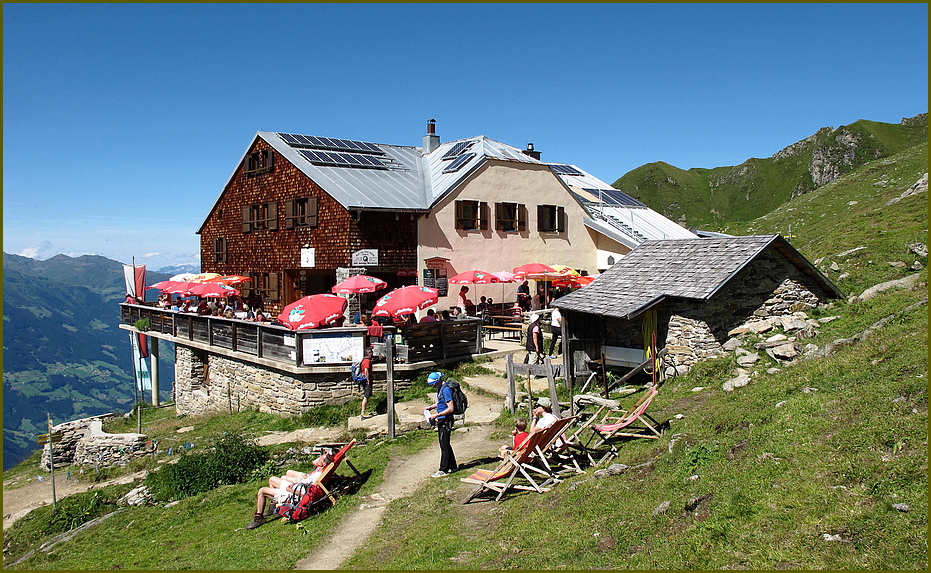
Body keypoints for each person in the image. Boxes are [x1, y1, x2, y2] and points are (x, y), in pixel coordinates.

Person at [245, 452, 334, 530]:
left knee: (262, 491)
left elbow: (306, 493)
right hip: (296, 489)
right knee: (272, 479)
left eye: (321, 459)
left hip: (294, 495)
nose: (318, 459)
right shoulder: (320, 474)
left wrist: (291, 489)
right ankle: (272, 507)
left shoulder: (317, 475)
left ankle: (258, 518)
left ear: (323, 464)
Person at [425, 372, 457, 478]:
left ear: (438, 381)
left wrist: (436, 415)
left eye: (433, 384)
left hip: (445, 420)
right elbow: (440, 402)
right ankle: (453, 466)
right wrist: (431, 407)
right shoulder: (441, 389)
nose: (432, 386)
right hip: (442, 418)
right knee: (445, 443)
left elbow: (450, 408)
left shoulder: (446, 390)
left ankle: (443, 469)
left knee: (444, 445)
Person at [359, 348, 375, 418]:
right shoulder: (367, 361)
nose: (372, 354)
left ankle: (364, 411)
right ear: (368, 353)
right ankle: (363, 412)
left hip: (365, 380)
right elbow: (366, 371)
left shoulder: (364, 360)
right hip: (366, 380)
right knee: (366, 396)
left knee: (367, 396)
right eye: (371, 352)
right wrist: (368, 380)